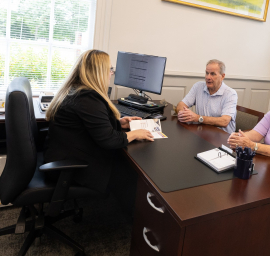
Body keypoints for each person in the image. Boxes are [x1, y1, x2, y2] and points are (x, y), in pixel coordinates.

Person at [44, 49, 154, 206]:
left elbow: (90, 126)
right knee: (132, 172)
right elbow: (109, 140)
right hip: (70, 167)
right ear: (99, 72)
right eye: (110, 69)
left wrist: (119, 123)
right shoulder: (87, 98)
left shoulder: (76, 91)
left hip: (60, 155)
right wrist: (134, 134)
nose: (111, 73)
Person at [176, 59, 237, 134]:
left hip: (222, 138)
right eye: (207, 73)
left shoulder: (230, 94)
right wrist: (183, 114)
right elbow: (181, 104)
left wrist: (198, 118)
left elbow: (224, 121)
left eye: (213, 74)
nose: (208, 77)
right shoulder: (198, 86)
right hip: (202, 133)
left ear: (222, 76)